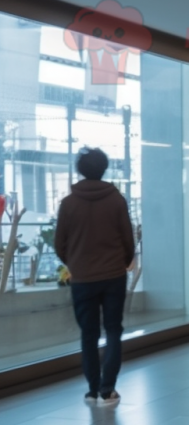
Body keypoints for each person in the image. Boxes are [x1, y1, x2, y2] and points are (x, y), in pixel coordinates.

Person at [55, 148, 134, 406]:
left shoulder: (68, 204)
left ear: (80, 170)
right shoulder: (116, 200)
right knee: (113, 329)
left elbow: (60, 244)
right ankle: (108, 389)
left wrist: (76, 263)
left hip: (82, 279)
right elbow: (127, 239)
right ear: (104, 168)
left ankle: (91, 389)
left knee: (88, 334)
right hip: (113, 276)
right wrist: (121, 263)